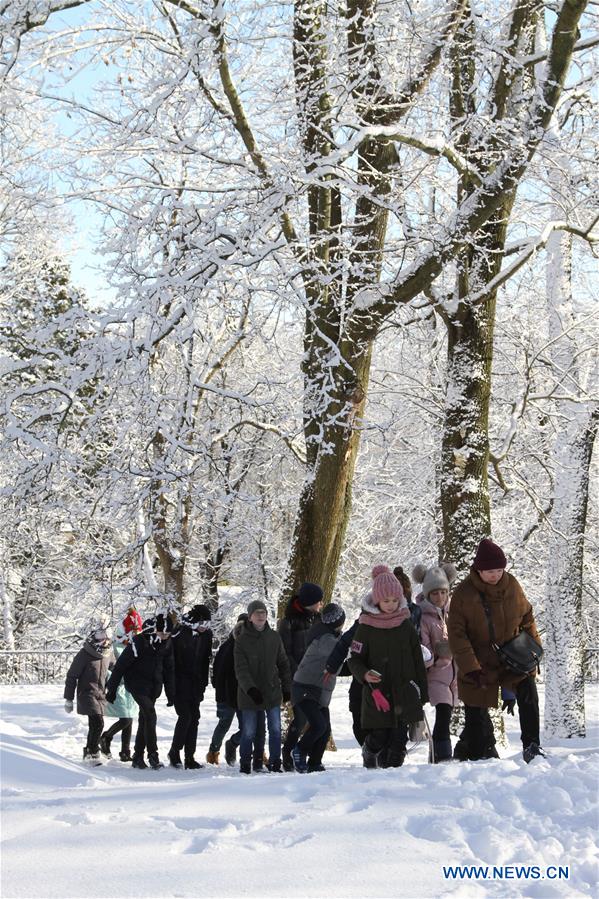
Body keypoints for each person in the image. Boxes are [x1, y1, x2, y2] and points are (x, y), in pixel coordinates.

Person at [447, 538, 544, 763]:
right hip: (479, 663)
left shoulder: (512, 585)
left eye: (499, 570)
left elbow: (527, 617)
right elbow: (457, 635)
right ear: (478, 570)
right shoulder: (464, 594)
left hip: (513, 658)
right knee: (476, 716)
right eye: (489, 571)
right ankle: (476, 751)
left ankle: (532, 746)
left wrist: (534, 652)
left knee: (528, 693)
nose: (495, 575)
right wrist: (471, 668)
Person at [348, 565, 429, 769]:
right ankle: (369, 750)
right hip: (378, 694)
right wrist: (365, 674)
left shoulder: (406, 624)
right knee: (380, 736)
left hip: (404, 691)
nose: (391, 605)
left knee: (399, 742)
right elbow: (354, 659)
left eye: (395, 600)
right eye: (386, 601)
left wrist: (423, 691)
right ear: (377, 600)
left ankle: (393, 780)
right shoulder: (365, 626)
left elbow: (417, 659)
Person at [105, 612, 175, 770]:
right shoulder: (139, 641)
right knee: (150, 715)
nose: (165, 636)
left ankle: (137, 757)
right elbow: (120, 666)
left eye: (168, 634)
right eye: (162, 633)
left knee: (145, 720)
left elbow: (169, 669)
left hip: (154, 686)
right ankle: (153, 755)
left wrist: (171, 693)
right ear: (154, 630)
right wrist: (112, 689)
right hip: (137, 685)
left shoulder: (167, 643)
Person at [234, 599, 291, 774]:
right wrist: (250, 689)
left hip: (272, 691)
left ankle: (275, 762)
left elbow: (283, 663)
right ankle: (245, 763)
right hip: (249, 695)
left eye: (263, 613)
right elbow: (241, 670)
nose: (261, 616)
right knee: (249, 732)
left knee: (274, 730)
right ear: (250, 617)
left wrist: (286, 687)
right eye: (257, 613)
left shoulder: (274, 637)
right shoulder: (241, 641)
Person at [206, 614, 266, 768]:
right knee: (224, 724)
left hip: (244, 695)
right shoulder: (228, 648)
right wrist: (221, 694)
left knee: (248, 727)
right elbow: (219, 673)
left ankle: (234, 744)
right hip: (227, 695)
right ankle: (213, 751)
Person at [291, 602, 346, 772]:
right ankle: (299, 750)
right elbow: (343, 654)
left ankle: (315, 763)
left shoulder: (330, 636)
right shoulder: (326, 640)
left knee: (325, 729)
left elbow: (340, 667)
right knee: (319, 725)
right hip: (305, 688)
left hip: (317, 690)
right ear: (339, 622)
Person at [412, 563, 458, 762]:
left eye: (443, 592)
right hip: (436, 675)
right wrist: (439, 653)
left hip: (454, 675)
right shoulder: (424, 618)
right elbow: (424, 651)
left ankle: (437, 754)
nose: (440, 598)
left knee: (447, 714)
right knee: (443, 714)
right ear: (427, 594)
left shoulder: (454, 613)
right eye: (435, 594)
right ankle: (443, 754)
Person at [278, 582, 324, 770]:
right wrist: (298, 672)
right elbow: (285, 652)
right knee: (301, 718)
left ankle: (307, 754)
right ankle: (288, 751)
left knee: (318, 720)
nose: (321, 604)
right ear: (309, 602)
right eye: (318, 601)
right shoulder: (289, 622)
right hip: (297, 677)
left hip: (317, 677)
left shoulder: (319, 619)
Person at [168, 604, 212, 770]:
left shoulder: (207, 635)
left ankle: (189, 756)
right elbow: (171, 661)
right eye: (202, 623)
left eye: (207, 624)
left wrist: (203, 684)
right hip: (180, 683)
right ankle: (174, 751)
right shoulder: (178, 634)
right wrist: (171, 687)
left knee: (195, 718)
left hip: (196, 684)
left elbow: (205, 660)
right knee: (185, 716)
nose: (205, 627)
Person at [64, 617, 114, 764]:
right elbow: (72, 676)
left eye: (106, 636)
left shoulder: (108, 653)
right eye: (100, 636)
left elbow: (114, 668)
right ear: (93, 636)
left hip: (101, 694)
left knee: (95, 724)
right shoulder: (84, 654)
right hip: (87, 693)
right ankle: (93, 751)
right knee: (98, 722)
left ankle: (89, 750)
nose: (104, 640)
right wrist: (68, 699)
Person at [100, 609, 142, 761]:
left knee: (129, 717)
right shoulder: (116, 647)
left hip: (130, 687)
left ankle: (125, 751)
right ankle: (106, 737)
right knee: (126, 719)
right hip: (119, 687)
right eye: (134, 631)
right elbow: (111, 668)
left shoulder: (134, 645)